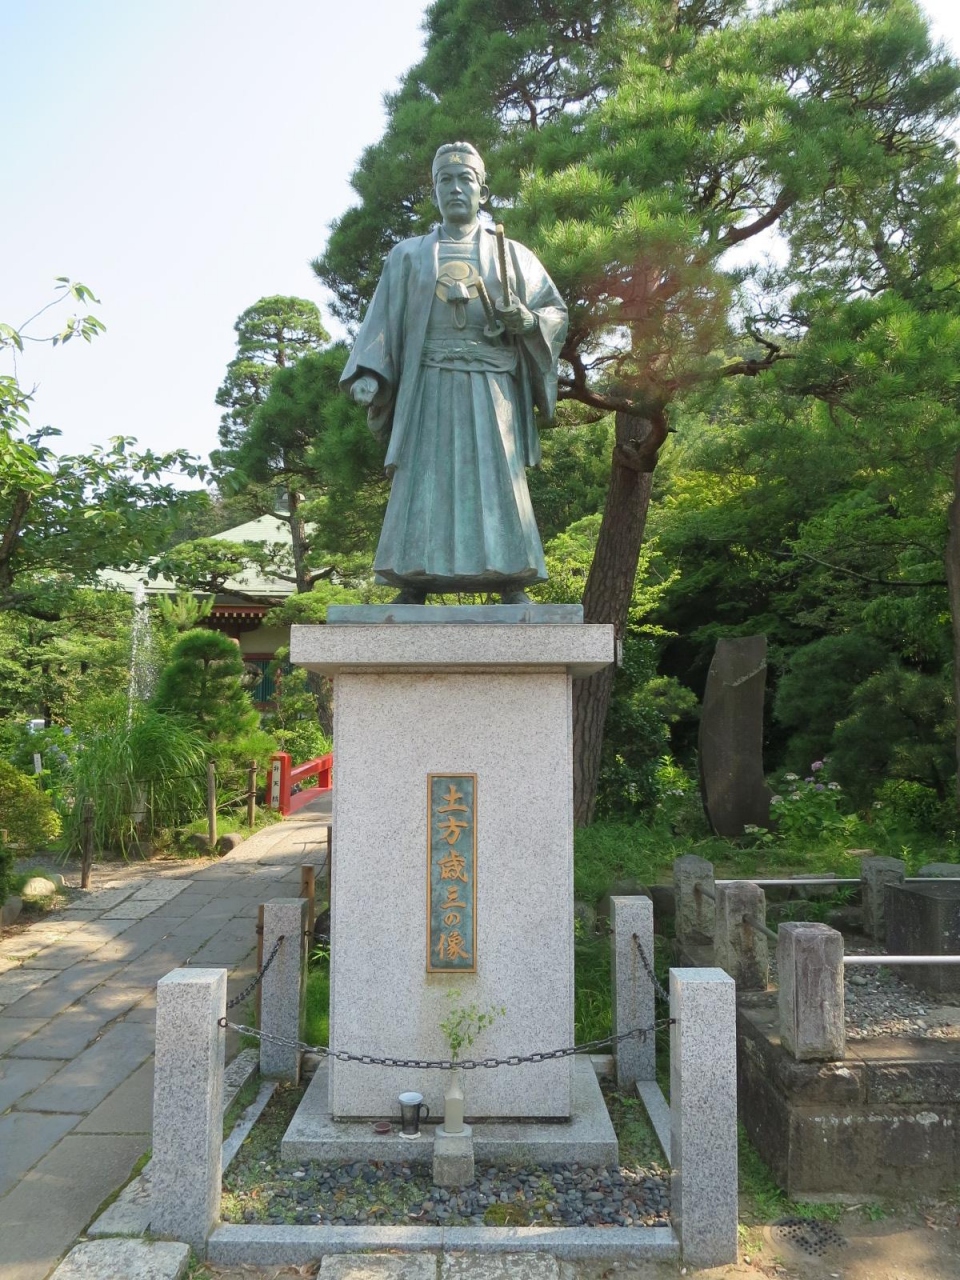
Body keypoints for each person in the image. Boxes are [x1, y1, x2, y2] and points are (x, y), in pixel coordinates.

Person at [341, 142, 568, 604]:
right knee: (423, 478)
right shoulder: (408, 256)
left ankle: (510, 578)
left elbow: (554, 312)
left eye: (466, 179)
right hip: (428, 384)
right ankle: (413, 578)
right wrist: (370, 373)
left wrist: (528, 321)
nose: (456, 188)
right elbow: (382, 322)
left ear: (482, 190)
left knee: (498, 477)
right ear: (434, 191)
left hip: (491, 387)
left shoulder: (512, 255)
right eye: (445, 180)